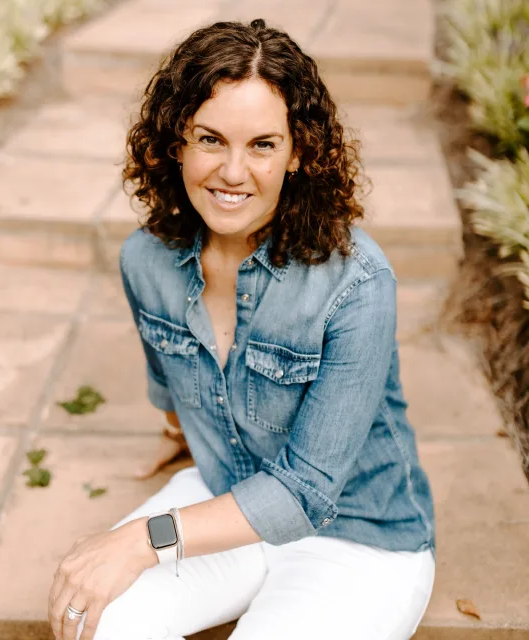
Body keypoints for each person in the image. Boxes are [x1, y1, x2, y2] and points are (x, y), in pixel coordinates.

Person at [48, 18, 436, 640]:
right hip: (225, 497)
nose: (232, 172)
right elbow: (171, 395)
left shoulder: (356, 283)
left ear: (300, 152)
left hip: (355, 538)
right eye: (210, 139)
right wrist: (181, 453)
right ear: (176, 142)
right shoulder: (145, 262)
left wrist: (139, 540)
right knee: (91, 617)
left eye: (261, 144)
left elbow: (306, 493)